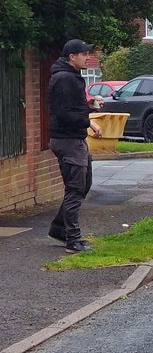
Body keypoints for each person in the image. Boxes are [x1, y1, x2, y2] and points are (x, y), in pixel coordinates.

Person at [47, 39, 102, 253]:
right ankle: (73, 240)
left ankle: (59, 228)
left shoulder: (70, 77)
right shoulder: (64, 79)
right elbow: (63, 114)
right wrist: (88, 120)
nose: (88, 57)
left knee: (84, 184)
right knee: (76, 189)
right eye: (84, 54)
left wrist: (86, 106)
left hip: (73, 139)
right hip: (68, 141)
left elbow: (69, 107)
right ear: (72, 57)